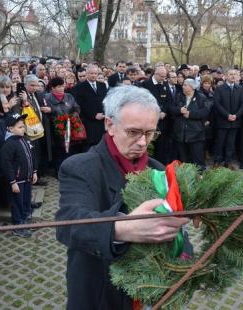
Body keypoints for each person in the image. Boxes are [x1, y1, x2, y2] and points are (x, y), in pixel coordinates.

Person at [55, 86, 189, 309]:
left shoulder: (159, 171)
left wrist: (183, 259)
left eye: (149, 133)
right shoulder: (80, 167)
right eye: (134, 132)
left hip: (150, 292)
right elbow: (68, 224)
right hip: (100, 292)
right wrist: (123, 229)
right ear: (110, 125)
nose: (143, 143)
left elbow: (177, 230)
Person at [1, 113, 38, 238]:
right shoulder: (9, 144)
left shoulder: (25, 139)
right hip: (17, 181)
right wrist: (12, 181)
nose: (24, 129)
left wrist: (34, 171)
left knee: (26, 201)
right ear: (10, 129)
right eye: (20, 127)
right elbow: (6, 164)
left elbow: (32, 156)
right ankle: (18, 225)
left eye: (24, 126)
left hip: (27, 178)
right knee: (17, 203)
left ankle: (25, 220)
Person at [44, 77, 82, 172]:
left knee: (70, 149)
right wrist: (54, 112)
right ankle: (59, 171)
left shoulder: (69, 96)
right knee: (58, 151)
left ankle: (70, 169)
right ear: (53, 88)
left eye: (62, 86)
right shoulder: (47, 98)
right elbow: (46, 112)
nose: (61, 88)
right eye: (59, 86)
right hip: (56, 129)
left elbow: (77, 108)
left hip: (70, 127)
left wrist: (73, 116)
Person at [169, 78, 208, 169]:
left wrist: (190, 114)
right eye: (183, 85)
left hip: (196, 134)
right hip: (181, 134)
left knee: (197, 159)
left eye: (185, 85)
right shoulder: (178, 96)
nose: (183, 87)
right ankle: (186, 177)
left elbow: (205, 112)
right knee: (184, 159)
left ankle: (200, 176)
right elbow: (171, 108)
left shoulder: (201, 97)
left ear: (192, 87)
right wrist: (179, 110)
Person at [212, 69, 243, 169]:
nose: (233, 76)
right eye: (231, 74)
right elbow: (217, 104)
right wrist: (227, 115)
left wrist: (236, 115)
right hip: (223, 121)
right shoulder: (220, 88)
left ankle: (228, 161)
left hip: (235, 121)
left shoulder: (239, 88)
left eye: (235, 74)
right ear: (226, 76)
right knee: (220, 142)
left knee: (231, 143)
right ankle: (217, 161)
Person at [140, 66, 172, 164]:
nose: (164, 79)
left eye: (165, 76)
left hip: (162, 122)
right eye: (162, 76)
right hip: (149, 121)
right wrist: (155, 113)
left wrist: (164, 112)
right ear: (156, 74)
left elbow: (169, 100)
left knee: (161, 147)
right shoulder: (145, 85)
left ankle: (160, 166)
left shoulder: (165, 85)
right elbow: (142, 101)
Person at [73, 65, 108, 149]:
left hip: (102, 121)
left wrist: (104, 114)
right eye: (91, 73)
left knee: (103, 145)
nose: (94, 75)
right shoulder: (79, 87)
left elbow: (106, 101)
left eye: (95, 73)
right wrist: (94, 115)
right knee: (90, 147)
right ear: (87, 74)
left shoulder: (102, 85)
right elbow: (80, 105)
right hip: (89, 122)